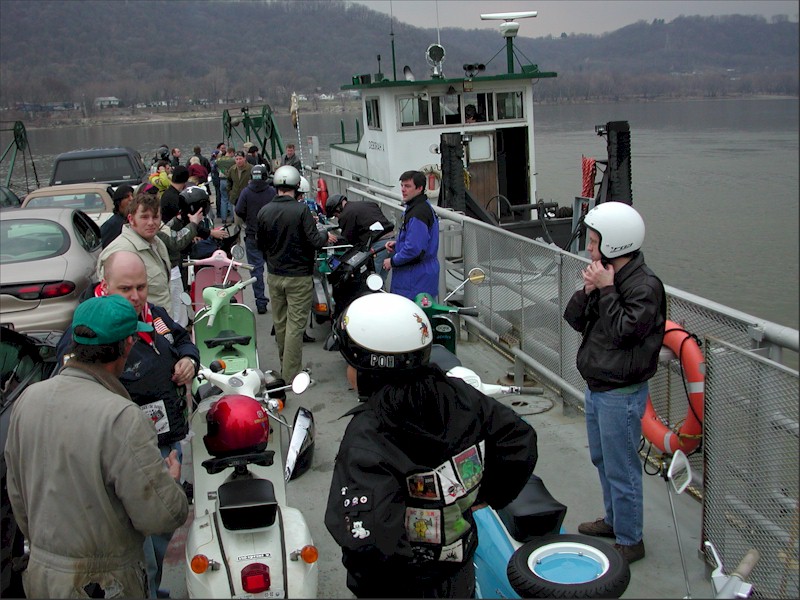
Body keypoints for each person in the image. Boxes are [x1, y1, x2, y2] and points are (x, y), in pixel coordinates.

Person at [325, 292, 538, 598]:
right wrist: (486, 496)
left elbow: (368, 541)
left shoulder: (367, 436)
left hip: (406, 587)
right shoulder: (460, 394)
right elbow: (518, 439)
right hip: (459, 565)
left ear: (367, 367)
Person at [5, 294, 189, 598]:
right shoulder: (122, 417)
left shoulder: (28, 400)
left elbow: (17, 496)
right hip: (104, 584)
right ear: (127, 345)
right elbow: (162, 515)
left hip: (41, 576)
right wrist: (171, 483)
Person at [57, 251, 200, 597]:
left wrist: (188, 359)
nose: (136, 297)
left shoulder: (154, 316)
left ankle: (153, 588)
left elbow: (181, 338)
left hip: (166, 441)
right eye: (126, 289)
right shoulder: (89, 331)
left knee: (161, 534)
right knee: (141, 551)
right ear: (105, 286)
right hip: (128, 454)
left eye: (141, 287)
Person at [563, 201, 666, 565]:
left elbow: (625, 332)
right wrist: (589, 290)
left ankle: (630, 539)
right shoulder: (609, 277)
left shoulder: (644, 286)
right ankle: (614, 520)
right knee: (603, 460)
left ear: (615, 243)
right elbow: (574, 318)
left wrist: (606, 290)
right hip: (599, 387)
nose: (590, 249)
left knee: (622, 468)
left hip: (621, 393)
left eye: (594, 242)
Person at [256, 165, 335, 382]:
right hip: (299, 276)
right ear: (296, 186)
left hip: (274, 275)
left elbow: (259, 243)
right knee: (295, 326)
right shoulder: (301, 211)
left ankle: (286, 366)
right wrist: (324, 234)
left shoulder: (264, 211)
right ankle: (292, 375)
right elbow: (315, 241)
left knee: (281, 323)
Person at [98, 191, 173, 313]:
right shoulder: (119, 252)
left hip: (162, 321)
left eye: (155, 217)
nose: (151, 223)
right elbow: (108, 299)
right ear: (131, 219)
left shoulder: (158, 243)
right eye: (144, 217)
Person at [383, 170, 440, 300]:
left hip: (415, 278)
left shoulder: (418, 213)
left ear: (419, 188)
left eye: (408, 186)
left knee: (412, 311)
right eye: (402, 186)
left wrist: (392, 261)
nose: (403, 190)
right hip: (420, 274)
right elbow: (420, 241)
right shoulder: (421, 207)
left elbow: (414, 249)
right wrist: (398, 245)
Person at [235, 163, 275, 314]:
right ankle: (278, 299)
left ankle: (260, 301)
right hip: (270, 236)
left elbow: (239, 210)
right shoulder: (271, 192)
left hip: (253, 235)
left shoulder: (246, 192)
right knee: (274, 269)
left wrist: (249, 219)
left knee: (256, 270)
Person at [326, 193, 394, 276]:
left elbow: (348, 239)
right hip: (392, 241)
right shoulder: (368, 204)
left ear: (337, 209)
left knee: (372, 278)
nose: (337, 218)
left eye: (335, 215)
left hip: (378, 245)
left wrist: (333, 241)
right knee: (381, 277)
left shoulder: (345, 214)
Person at [100, 184, 134, 248]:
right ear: (118, 202)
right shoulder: (112, 224)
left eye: (132, 196)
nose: (131, 199)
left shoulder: (131, 220)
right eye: (126, 197)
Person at [216, 146, 236, 224]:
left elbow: (215, 167)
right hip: (230, 181)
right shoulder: (233, 160)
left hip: (222, 181)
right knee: (231, 200)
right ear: (231, 152)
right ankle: (233, 217)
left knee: (223, 199)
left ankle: (223, 219)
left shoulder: (219, 160)